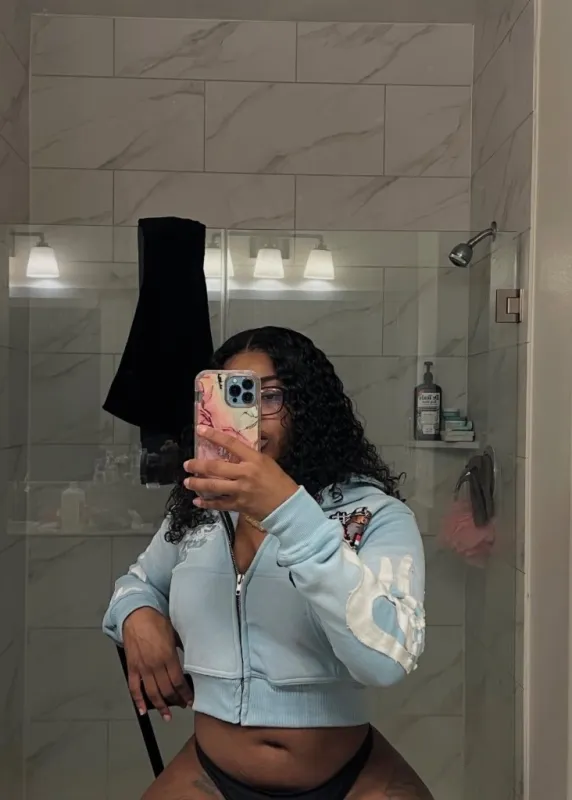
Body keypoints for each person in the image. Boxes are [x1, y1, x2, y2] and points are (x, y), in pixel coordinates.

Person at [103, 327, 432, 799]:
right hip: (210, 772)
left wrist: (288, 511)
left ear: (309, 408)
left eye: (271, 396)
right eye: (234, 397)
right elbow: (137, 582)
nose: (252, 418)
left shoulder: (375, 515)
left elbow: (386, 660)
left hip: (351, 778)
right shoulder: (200, 512)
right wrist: (136, 615)